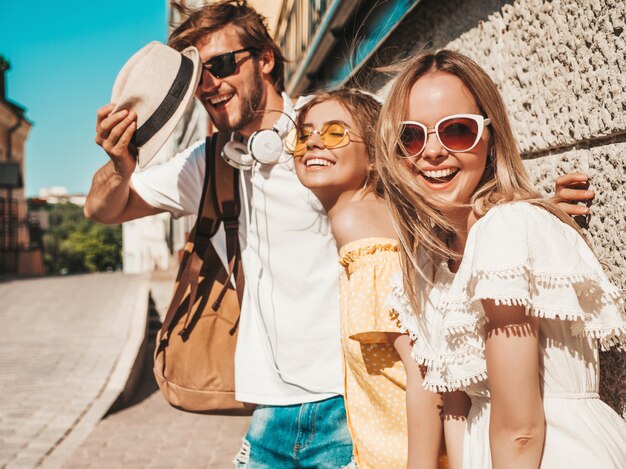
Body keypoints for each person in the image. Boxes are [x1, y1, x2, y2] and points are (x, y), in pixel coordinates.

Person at [85, 1, 595, 466]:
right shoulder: (211, 159)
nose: (211, 85)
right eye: (199, 78)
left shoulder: (330, 131)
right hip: (269, 406)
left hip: (347, 404)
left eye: (221, 66)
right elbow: (103, 208)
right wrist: (119, 164)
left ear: (265, 59)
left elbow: (431, 177)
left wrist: (523, 206)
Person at [377, 49, 626, 469]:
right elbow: (456, 405)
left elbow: (521, 430)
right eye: (411, 136)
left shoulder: (506, 229)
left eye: (457, 131)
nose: (432, 152)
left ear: (491, 138)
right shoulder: (429, 263)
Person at [291, 88, 443, 469]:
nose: (312, 141)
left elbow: (423, 368)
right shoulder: (381, 219)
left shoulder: (358, 228)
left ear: (374, 157)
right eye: (304, 133)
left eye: (335, 133)